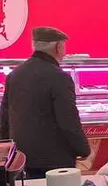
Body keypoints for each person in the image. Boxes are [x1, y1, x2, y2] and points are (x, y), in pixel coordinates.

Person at [0, 27, 90, 178]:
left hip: (21, 158)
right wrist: (83, 149)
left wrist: (5, 151)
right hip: (55, 160)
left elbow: (4, 116)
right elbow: (68, 121)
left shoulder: (15, 74)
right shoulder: (59, 78)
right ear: (58, 47)